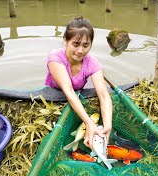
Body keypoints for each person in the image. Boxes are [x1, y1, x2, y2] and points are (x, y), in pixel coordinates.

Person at [44, 16, 113, 150]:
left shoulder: (92, 62)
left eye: (86, 45)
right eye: (75, 44)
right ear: (65, 41)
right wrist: (89, 123)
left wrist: (108, 125)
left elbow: (104, 95)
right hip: (53, 98)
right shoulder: (55, 57)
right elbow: (68, 90)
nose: (80, 50)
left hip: (76, 98)